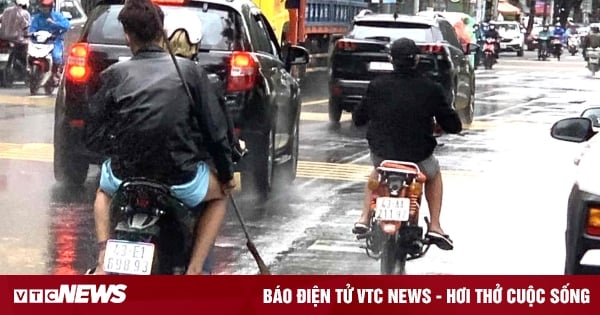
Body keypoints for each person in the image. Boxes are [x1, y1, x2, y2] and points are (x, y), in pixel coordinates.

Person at [85, 0, 236, 275]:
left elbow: (92, 136)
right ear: (161, 31)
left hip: (123, 177)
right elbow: (216, 134)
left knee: (102, 192)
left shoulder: (113, 74)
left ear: (127, 35)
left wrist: (117, 148)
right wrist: (226, 176)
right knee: (220, 197)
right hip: (180, 179)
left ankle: (103, 259)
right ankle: (194, 270)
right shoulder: (192, 73)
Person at [351, 38, 462, 251]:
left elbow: (359, 118)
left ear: (391, 60)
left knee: (376, 171)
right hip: (418, 158)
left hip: (382, 155)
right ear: (417, 60)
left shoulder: (377, 86)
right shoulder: (431, 88)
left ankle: (364, 218)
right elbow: (453, 123)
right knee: (434, 174)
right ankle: (436, 226)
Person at [29, 0, 70, 85]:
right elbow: (32, 28)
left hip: (54, 41)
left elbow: (66, 25)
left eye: (46, 7)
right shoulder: (37, 17)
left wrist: (54, 23)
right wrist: (32, 33)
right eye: (43, 7)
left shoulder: (57, 16)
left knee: (56, 56)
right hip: (39, 42)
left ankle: (55, 74)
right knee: (29, 54)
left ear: (51, 8)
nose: (44, 9)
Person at [0, 0, 30, 72]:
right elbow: (26, 28)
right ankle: (26, 67)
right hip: (17, 40)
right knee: (29, 47)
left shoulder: (6, 11)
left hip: (3, 38)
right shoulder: (25, 13)